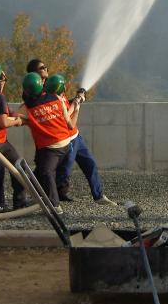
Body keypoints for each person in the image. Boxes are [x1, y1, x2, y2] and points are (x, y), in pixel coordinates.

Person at [26, 59, 115, 206]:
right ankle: (44, 194)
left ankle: (98, 196)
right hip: (64, 137)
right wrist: (76, 104)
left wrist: (76, 99)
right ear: (34, 74)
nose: (46, 69)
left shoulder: (51, 86)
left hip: (75, 135)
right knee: (61, 171)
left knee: (90, 164)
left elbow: (63, 105)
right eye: (42, 68)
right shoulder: (37, 95)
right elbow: (60, 113)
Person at [15, 72, 77, 209]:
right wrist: (77, 106)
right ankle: (34, 195)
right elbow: (69, 123)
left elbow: (14, 118)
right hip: (67, 144)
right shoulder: (56, 98)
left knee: (47, 172)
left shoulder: (28, 108)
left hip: (51, 148)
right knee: (40, 171)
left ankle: (55, 206)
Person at [0, 63, 29, 213]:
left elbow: (5, 114)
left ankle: (18, 203)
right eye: (4, 78)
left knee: (18, 167)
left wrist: (18, 115)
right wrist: (17, 122)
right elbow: (2, 121)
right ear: (0, 80)